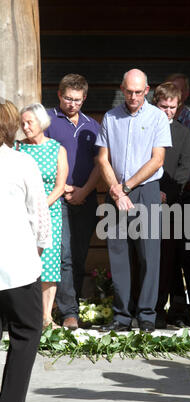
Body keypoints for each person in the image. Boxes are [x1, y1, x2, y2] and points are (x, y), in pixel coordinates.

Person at [97, 68, 172, 333]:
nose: (133, 96)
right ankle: (121, 317)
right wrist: (116, 191)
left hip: (146, 190)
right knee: (118, 255)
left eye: (138, 92)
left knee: (149, 255)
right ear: (122, 88)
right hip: (115, 191)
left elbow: (157, 160)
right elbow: (102, 158)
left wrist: (126, 186)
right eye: (128, 91)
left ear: (147, 90)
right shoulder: (110, 117)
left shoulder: (157, 118)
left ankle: (148, 317)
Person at [0, 99, 51, 402]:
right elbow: (39, 214)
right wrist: (39, 249)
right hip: (16, 264)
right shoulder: (22, 163)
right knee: (27, 331)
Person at [44, 74, 101, 330]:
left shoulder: (93, 126)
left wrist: (85, 191)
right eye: (68, 98)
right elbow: (41, 153)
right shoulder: (47, 120)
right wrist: (64, 187)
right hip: (58, 198)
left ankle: (72, 305)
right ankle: (69, 313)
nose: (72, 104)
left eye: (77, 100)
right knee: (64, 255)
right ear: (59, 95)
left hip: (86, 198)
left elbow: (101, 164)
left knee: (78, 256)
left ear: (84, 98)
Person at [17, 103, 68, 329]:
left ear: (41, 123)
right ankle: (26, 315)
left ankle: (46, 317)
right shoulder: (18, 149)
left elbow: (60, 186)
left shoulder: (57, 149)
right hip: (21, 215)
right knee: (24, 263)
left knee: (49, 263)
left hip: (50, 213)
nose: (25, 127)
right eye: (23, 123)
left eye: (30, 122)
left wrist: (40, 207)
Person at [152, 82, 190, 328]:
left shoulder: (182, 132)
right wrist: (152, 191)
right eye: (164, 106)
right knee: (146, 260)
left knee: (168, 260)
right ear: (155, 104)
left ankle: (163, 309)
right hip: (143, 199)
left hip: (171, 205)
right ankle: (144, 307)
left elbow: (184, 169)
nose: (168, 111)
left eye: (172, 107)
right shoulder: (145, 128)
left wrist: (167, 194)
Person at [166, 73, 190, 323]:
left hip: (189, 193)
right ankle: (177, 304)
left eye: (176, 93)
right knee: (170, 253)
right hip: (164, 195)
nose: (172, 98)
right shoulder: (156, 120)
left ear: (184, 95)